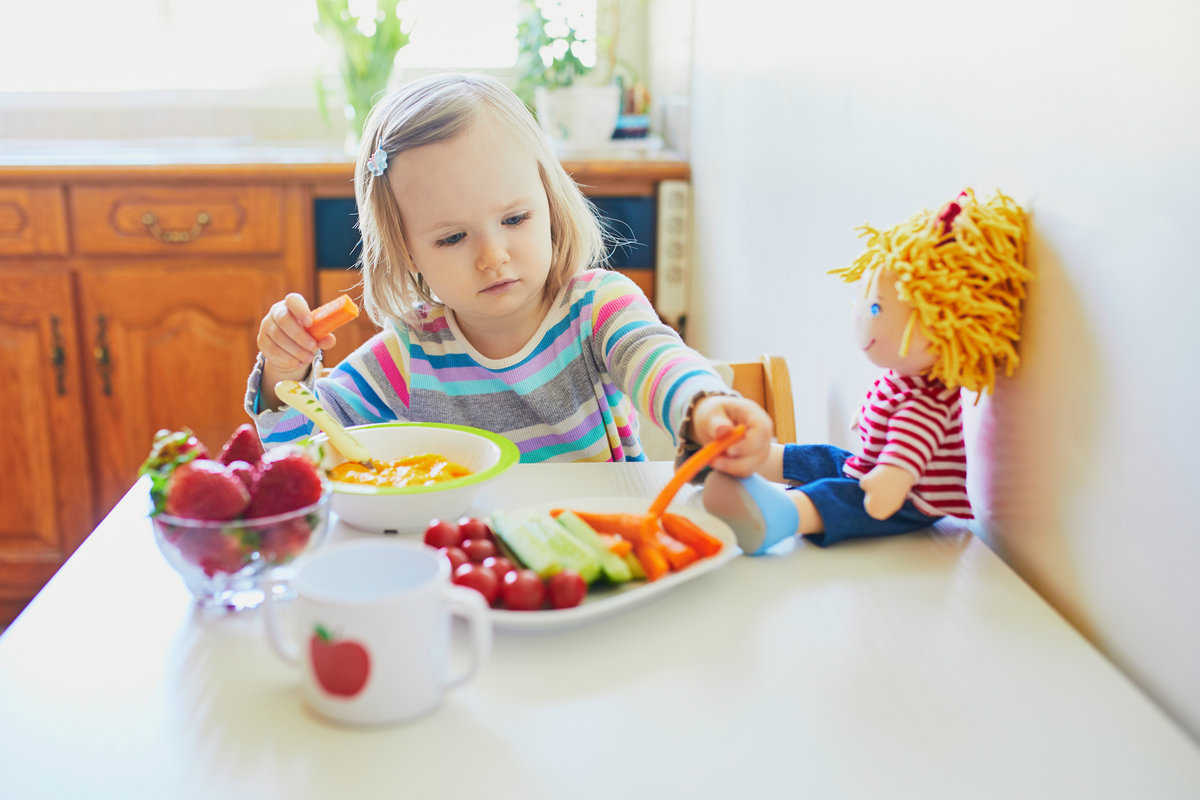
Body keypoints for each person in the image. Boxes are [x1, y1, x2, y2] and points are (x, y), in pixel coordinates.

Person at [245, 72, 771, 475]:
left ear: (551, 202)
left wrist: (703, 406)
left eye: (515, 219)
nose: (492, 255)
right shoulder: (408, 357)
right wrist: (283, 376)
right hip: (471, 572)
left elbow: (657, 361)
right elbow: (299, 450)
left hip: (608, 552)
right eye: (452, 238)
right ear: (407, 253)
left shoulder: (596, 309)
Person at [704, 189, 1030, 550]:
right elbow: (884, 407)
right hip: (871, 467)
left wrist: (889, 482)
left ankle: (780, 514)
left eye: (877, 309)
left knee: (841, 496)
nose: (860, 315)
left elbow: (905, 456)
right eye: (865, 299)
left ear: (945, 327)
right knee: (825, 457)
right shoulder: (905, 380)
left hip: (906, 500)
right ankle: (753, 459)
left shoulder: (927, 403)